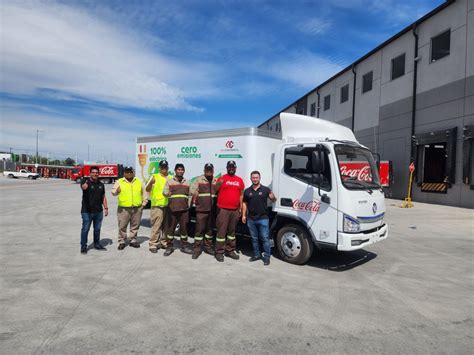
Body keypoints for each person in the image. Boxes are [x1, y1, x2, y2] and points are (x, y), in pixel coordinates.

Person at [242, 171, 276, 266]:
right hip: (251, 219)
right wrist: (244, 215)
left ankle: (267, 257)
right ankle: (257, 255)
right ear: (251, 178)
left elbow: (273, 200)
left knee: (265, 238)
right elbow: (244, 203)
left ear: (259, 178)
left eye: (256, 177)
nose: (255, 179)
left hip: (263, 218)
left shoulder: (266, 189)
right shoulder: (247, 191)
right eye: (253, 177)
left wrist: (273, 197)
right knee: (254, 238)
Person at [214, 160, 245, 262]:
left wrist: (240, 208)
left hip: (235, 210)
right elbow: (215, 189)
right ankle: (219, 252)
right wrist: (219, 184)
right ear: (227, 168)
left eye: (233, 167)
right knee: (221, 232)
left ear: (235, 168)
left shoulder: (239, 180)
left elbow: (241, 195)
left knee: (232, 232)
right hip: (223, 209)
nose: (231, 168)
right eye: (229, 167)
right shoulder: (222, 178)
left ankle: (230, 250)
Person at [111, 166, 147, 250]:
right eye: (127, 172)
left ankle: (133, 240)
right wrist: (117, 191)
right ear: (124, 173)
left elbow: (144, 192)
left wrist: (144, 203)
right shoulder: (119, 181)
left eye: (130, 172)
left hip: (137, 208)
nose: (129, 173)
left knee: (135, 225)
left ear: (133, 172)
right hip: (123, 209)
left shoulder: (139, 181)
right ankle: (122, 241)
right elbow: (113, 192)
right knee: (122, 225)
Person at [162, 163, 193, 256]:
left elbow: (190, 195)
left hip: (184, 210)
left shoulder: (187, 182)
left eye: (182, 170)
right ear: (175, 171)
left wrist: (189, 205)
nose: (180, 171)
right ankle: (169, 247)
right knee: (170, 230)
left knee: (184, 230)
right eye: (178, 169)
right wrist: (167, 193)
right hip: (172, 209)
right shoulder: (170, 181)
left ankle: (184, 246)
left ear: (184, 171)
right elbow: (164, 192)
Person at [190, 163, 217, 259]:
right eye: (207, 170)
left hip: (212, 210)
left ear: (213, 171)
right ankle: (197, 249)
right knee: (199, 231)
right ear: (204, 170)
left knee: (210, 231)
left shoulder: (216, 181)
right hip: (201, 210)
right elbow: (192, 190)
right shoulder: (199, 180)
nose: (209, 171)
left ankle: (208, 247)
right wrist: (195, 192)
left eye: (210, 170)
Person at [80, 166, 108, 254]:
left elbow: (103, 197)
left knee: (97, 229)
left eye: (96, 172)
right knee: (85, 229)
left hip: (98, 211)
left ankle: (97, 244)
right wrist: (84, 186)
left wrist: (106, 208)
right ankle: (83, 246)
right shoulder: (86, 181)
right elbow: (83, 187)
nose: (95, 174)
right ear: (90, 173)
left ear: (98, 174)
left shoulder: (101, 184)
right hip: (87, 211)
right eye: (93, 172)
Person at [146, 160, 172, 253]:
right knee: (156, 226)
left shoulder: (171, 177)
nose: (164, 168)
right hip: (157, 205)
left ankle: (164, 242)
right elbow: (147, 189)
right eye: (162, 167)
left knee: (166, 227)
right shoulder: (154, 177)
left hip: (168, 205)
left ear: (168, 167)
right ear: (159, 168)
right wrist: (150, 183)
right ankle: (153, 244)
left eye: (165, 167)